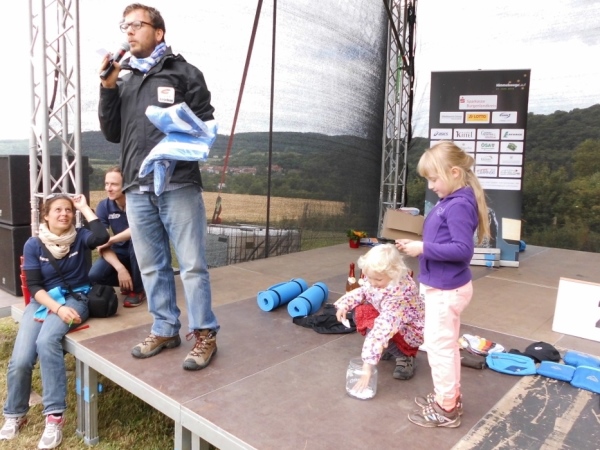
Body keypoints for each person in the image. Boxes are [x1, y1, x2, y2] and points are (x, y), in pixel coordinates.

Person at [98, 3, 219, 371]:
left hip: (178, 183)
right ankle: (165, 329)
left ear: (159, 32)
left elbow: (205, 126)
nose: (129, 31)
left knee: (193, 265)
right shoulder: (125, 80)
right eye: (125, 26)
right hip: (137, 186)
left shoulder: (184, 73)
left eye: (137, 24)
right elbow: (112, 132)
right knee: (151, 266)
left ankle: (204, 334)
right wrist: (107, 88)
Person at [0, 194, 109, 448]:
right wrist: (56, 308)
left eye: (68, 210)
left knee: (47, 341)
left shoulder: (80, 236)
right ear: (46, 215)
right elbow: (34, 286)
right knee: (21, 359)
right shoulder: (34, 244)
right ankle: (15, 414)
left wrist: (84, 207)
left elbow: (102, 237)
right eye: (58, 210)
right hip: (44, 301)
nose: (64, 214)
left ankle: (54, 417)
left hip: (75, 299)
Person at [396, 141, 490, 428]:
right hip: (442, 287)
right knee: (444, 346)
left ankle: (446, 408)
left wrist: (423, 248)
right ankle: (448, 398)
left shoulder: (458, 204)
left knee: (439, 349)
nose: (431, 185)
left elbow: (462, 250)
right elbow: (444, 240)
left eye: (434, 179)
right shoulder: (451, 199)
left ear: (455, 173)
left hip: (446, 290)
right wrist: (418, 245)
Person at [335, 244, 424, 392]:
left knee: (375, 330)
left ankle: (405, 356)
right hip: (391, 321)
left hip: (409, 332)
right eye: (369, 277)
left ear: (394, 273)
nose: (372, 282)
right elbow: (364, 290)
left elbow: (381, 330)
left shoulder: (400, 296)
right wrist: (344, 304)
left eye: (377, 279)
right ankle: (387, 348)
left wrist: (367, 366)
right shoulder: (379, 280)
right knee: (361, 312)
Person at [89, 167, 145, 307]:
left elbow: (138, 231)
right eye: (106, 184)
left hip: (144, 250)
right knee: (95, 276)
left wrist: (111, 240)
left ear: (126, 185)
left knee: (136, 243)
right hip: (120, 251)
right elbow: (102, 241)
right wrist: (120, 269)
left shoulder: (139, 203)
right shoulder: (104, 206)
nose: (108, 188)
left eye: (114, 184)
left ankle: (138, 290)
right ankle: (128, 281)